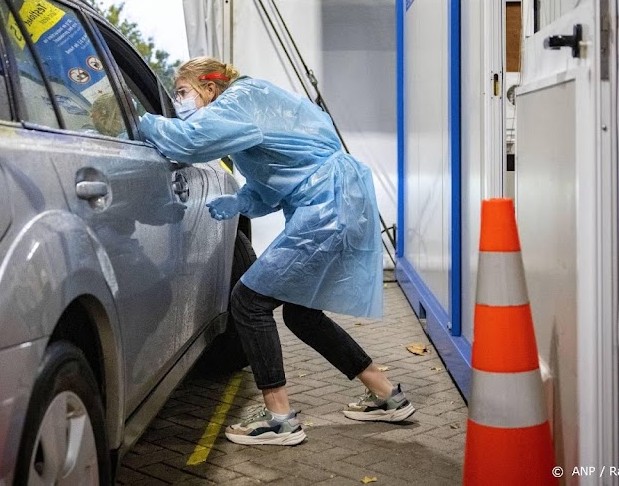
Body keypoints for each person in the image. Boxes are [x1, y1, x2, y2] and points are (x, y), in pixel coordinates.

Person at [138, 57, 416, 447]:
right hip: (338, 202)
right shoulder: (257, 100)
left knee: (249, 303)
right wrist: (239, 202)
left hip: (326, 210)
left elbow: (191, 141)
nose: (180, 102)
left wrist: (141, 119)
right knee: (302, 313)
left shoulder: (237, 100)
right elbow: (276, 180)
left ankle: (279, 418)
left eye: (182, 92)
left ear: (210, 87)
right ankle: (387, 395)